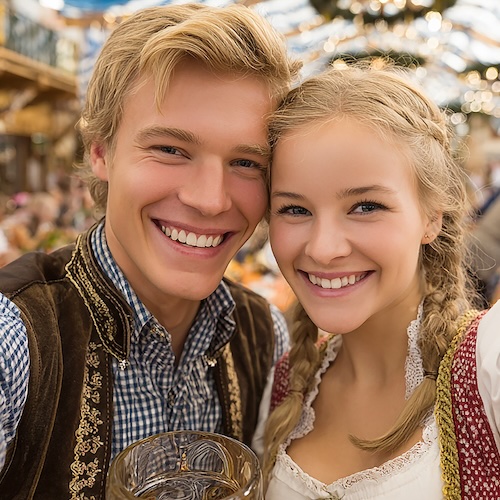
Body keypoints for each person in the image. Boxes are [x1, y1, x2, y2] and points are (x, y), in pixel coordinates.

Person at [0, 4, 301, 498]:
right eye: (170, 150)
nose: (210, 199)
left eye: (246, 162)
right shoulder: (16, 342)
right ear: (100, 150)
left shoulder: (266, 335)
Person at [253, 62, 500, 499]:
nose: (323, 249)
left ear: (431, 217)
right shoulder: (284, 384)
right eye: (295, 209)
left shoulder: (488, 367)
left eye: (366, 206)